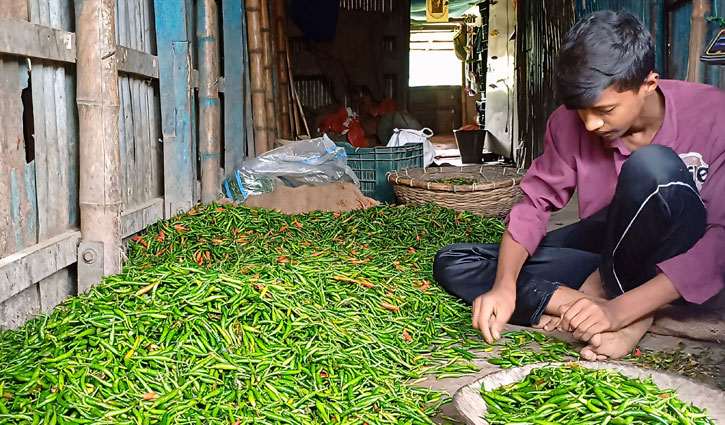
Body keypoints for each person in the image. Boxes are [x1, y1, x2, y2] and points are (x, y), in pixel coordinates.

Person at [433, 10, 724, 361]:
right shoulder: (569, 123)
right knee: (456, 260)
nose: (589, 125)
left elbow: (717, 246)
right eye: (581, 110)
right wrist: (504, 287)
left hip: (682, 255)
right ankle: (590, 305)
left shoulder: (713, 114)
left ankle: (630, 314)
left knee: (652, 166)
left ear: (648, 85)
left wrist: (619, 312)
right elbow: (534, 205)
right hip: (612, 248)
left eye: (605, 109)